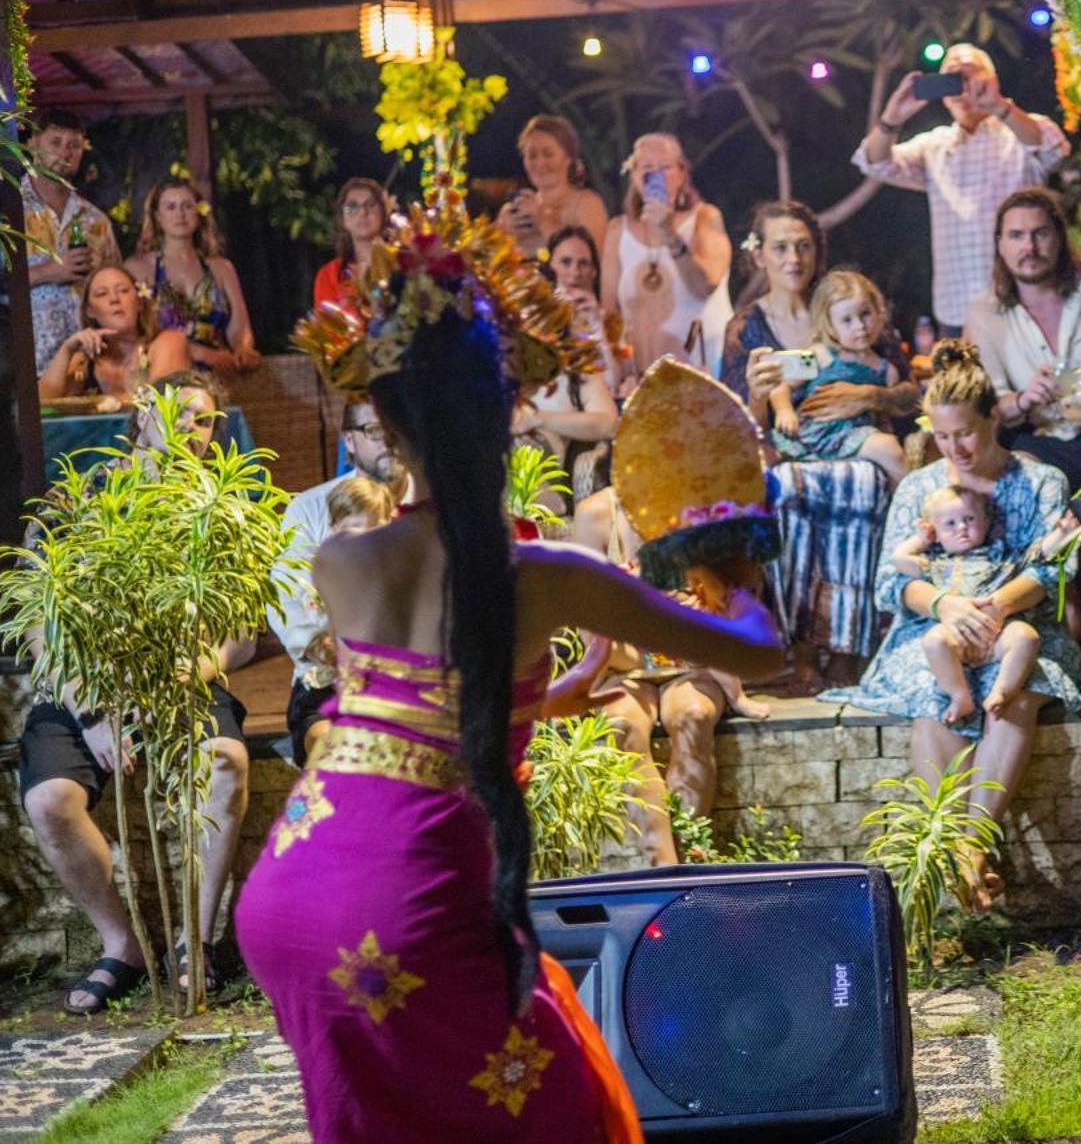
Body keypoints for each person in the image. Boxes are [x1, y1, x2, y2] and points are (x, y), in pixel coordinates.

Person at [237, 217, 783, 1141]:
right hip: (401, 904)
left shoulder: (341, 559)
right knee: (562, 1113)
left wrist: (551, 697)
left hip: (293, 894)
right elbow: (759, 650)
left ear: (387, 420)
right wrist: (718, 537)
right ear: (509, 415)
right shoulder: (548, 574)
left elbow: (412, 709)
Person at [824, 341, 1081, 908]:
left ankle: (970, 846)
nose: (954, 449)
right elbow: (890, 583)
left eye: (965, 433)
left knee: (1017, 692)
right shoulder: (919, 488)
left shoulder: (1039, 481)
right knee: (936, 697)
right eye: (942, 437)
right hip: (937, 630)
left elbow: (1050, 569)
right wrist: (946, 605)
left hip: (1018, 625)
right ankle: (950, 849)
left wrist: (991, 609)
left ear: (993, 417)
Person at [19, 374, 252, 1014]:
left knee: (227, 763)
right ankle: (120, 943)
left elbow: (242, 637)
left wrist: (179, 677)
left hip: (180, 679)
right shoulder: (80, 499)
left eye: (203, 422)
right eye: (178, 416)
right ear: (143, 414)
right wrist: (95, 710)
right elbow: (42, 624)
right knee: (49, 799)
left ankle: (196, 941)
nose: (190, 432)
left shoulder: (222, 505)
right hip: (83, 684)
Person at [721, 202, 918, 684]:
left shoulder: (847, 305)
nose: (794, 258)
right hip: (789, 450)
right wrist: (761, 393)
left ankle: (853, 641)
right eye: (781, 247)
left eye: (804, 246)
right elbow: (738, 418)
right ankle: (802, 645)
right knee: (788, 492)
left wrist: (868, 395)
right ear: (759, 256)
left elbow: (907, 388)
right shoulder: (748, 327)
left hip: (858, 448)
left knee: (866, 485)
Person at [566, 488, 769, 866]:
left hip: (696, 658)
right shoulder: (595, 513)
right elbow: (586, 623)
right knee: (621, 724)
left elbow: (732, 609)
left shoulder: (708, 512)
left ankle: (689, 860)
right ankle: (664, 869)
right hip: (623, 660)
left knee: (691, 716)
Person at [853, 43, 1070, 335]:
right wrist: (893, 116)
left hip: (1022, 300)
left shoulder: (1016, 131)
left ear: (992, 80)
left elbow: (1052, 148)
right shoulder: (934, 146)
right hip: (957, 307)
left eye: (971, 74)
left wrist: (997, 105)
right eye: (953, 77)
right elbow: (874, 162)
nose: (963, 86)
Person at [268, 399, 409, 768]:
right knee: (335, 748)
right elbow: (290, 603)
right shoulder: (310, 507)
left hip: (423, 680)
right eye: (375, 430)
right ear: (348, 440)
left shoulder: (441, 506)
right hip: (332, 682)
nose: (390, 440)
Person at [963, 188, 1081, 492]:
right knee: (1021, 477)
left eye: (1040, 234)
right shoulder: (985, 312)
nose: (1029, 247)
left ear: (1059, 237)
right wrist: (1023, 398)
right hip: (1052, 439)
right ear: (1000, 244)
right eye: (1017, 236)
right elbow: (987, 408)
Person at [888, 484, 1040, 729]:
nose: (961, 527)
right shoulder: (933, 563)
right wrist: (921, 539)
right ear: (935, 531)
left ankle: (1003, 691)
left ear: (986, 522)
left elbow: (1039, 558)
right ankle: (960, 695)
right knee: (934, 640)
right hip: (956, 638)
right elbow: (898, 559)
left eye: (969, 519)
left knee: (1026, 637)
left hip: (997, 632)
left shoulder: (1002, 555)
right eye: (949, 523)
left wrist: (1060, 536)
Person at [600, 132, 732, 379]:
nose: (655, 176)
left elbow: (704, 285)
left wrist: (669, 234)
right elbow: (609, 312)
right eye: (646, 168)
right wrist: (621, 365)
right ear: (634, 175)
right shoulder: (617, 230)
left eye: (665, 167)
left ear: (682, 174)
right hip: (645, 375)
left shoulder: (705, 218)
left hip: (703, 371)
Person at [769, 269, 908, 483]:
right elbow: (780, 385)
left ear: (879, 313)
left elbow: (884, 417)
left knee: (890, 449)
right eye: (847, 320)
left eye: (865, 314)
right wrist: (784, 410)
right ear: (830, 326)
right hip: (817, 434)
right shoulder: (819, 353)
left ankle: (904, 504)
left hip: (858, 435)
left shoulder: (886, 370)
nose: (860, 326)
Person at [514, 231, 619, 512]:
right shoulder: (497, 362)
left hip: (541, 495)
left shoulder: (574, 365)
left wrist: (539, 419)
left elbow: (607, 422)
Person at [20, 109, 122, 372]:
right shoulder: (6, 210)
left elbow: (117, 287)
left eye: (74, 146)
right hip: (24, 367)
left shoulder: (95, 221)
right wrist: (48, 271)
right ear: (31, 143)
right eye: (55, 142)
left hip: (87, 366)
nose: (65, 153)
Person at [125, 179, 260, 375]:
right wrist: (197, 352)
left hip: (216, 373)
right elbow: (131, 335)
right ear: (157, 217)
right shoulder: (138, 268)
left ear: (199, 212)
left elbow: (240, 332)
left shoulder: (221, 269)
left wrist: (244, 350)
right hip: (162, 371)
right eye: (170, 207)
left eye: (187, 206)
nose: (180, 214)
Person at [37, 264, 193, 402]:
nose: (114, 299)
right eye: (101, 294)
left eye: (123, 291)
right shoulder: (82, 361)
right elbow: (40, 406)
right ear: (90, 311)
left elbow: (159, 399)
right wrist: (66, 350)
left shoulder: (168, 341)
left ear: (139, 303)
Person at [497, 114, 610, 258]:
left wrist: (543, 219)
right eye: (532, 155)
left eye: (548, 154)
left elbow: (590, 260)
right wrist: (501, 231)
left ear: (568, 158)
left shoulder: (587, 204)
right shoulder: (517, 210)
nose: (539, 164)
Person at [541, 223, 624, 395]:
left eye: (583, 263)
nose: (575, 272)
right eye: (566, 262)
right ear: (551, 265)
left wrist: (595, 326)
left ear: (594, 271)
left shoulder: (609, 323)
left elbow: (611, 383)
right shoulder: (536, 317)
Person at [314, 179, 390, 312]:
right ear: (343, 220)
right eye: (352, 206)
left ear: (383, 213)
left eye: (370, 204)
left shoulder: (403, 264)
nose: (362, 213)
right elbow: (328, 327)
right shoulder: (330, 275)